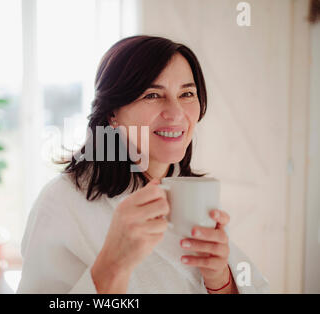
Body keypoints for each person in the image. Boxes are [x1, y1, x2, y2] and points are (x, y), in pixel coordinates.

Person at [17, 35, 269, 294]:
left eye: (187, 93)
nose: (176, 112)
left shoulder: (193, 195)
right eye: (152, 95)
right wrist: (112, 267)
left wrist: (221, 282)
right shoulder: (61, 202)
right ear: (112, 113)